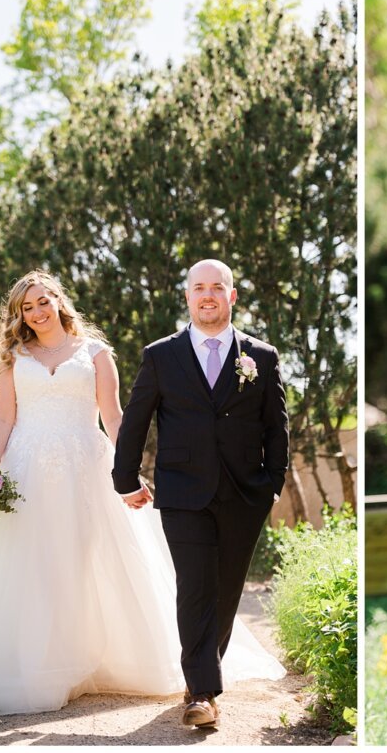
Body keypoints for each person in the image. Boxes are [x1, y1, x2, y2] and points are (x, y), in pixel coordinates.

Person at [0, 270, 283, 717]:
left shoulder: (95, 353)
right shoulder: (14, 358)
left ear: (58, 300)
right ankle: (43, 667)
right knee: (32, 563)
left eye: (41, 302)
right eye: (25, 308)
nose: (35, 313)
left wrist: (127, 474)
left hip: (84, 468)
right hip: (26, 470)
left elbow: (116, 418)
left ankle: (116, 663)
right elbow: (3, 418)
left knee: (87, 559)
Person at [113, 259, 290, 729]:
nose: (207, 295)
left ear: (232, 297)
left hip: (245, 493)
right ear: (188, 297)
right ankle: (203, 693)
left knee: (227, 588)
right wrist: (125, 478)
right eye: (198, 288)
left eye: (217, 288)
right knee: (195, 586)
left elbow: (277, 427)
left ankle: (201, 678)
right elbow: (136, 420)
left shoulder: (263, 356)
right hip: (182, 491)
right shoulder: (160, 355)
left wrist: (274, 483)